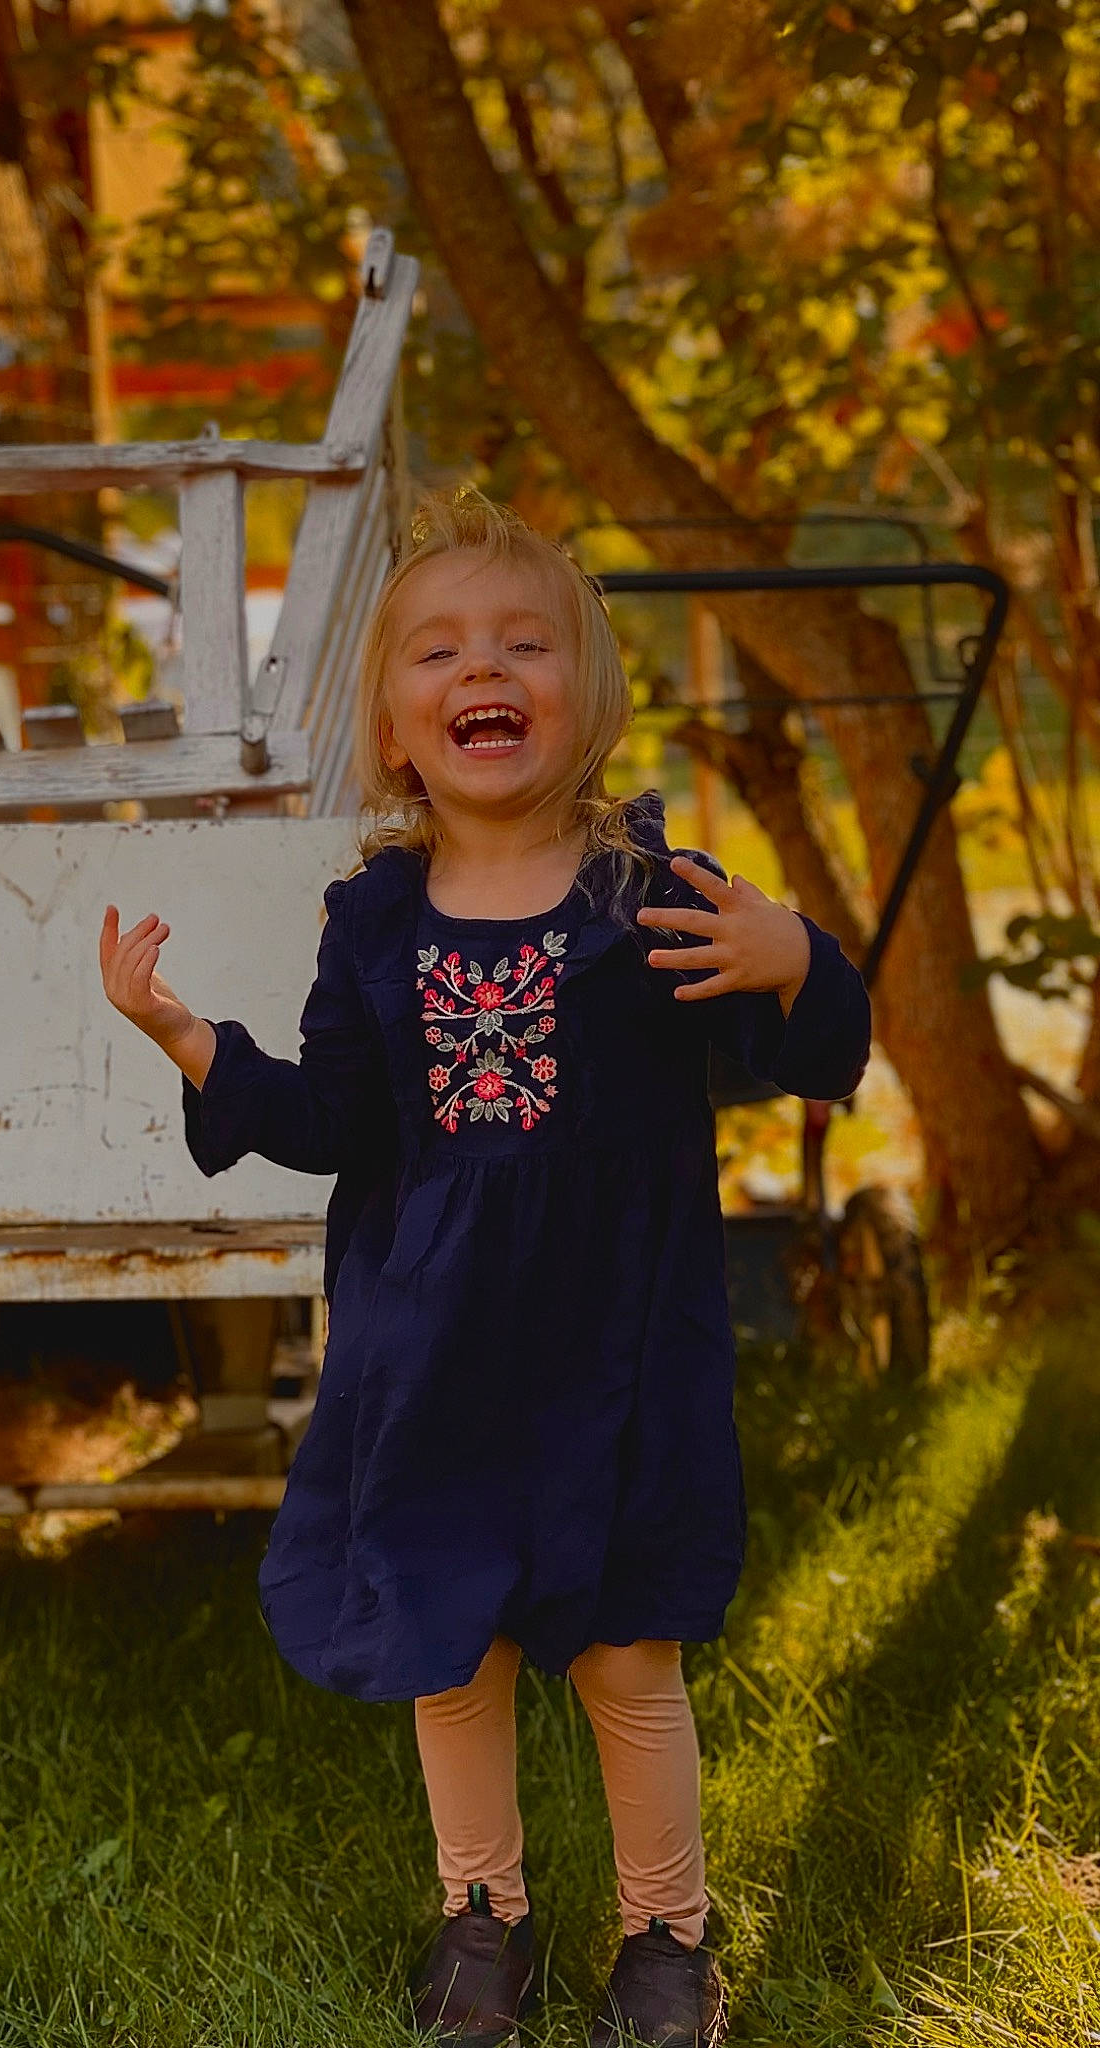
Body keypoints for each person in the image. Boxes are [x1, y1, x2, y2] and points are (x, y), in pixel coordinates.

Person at [99, 489, 871, 2048]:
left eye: (525, 643)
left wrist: (796, 961)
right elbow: (332, 1120)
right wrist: (194, 1044)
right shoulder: (375, 929)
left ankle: (665, 1944)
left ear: (583, 696)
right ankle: (485, 1919)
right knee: (455, 1646)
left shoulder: (649, 897)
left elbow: (807, 1049)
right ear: (395, 727)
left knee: (625, 1647)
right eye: (440, 651)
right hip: (430, 1348)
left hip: (621, 1348)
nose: (483, 667)